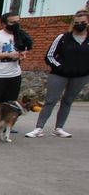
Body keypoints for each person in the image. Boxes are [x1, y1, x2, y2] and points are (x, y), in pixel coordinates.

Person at [26, 10, 89, 138]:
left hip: (80, 76)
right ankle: (38, 128)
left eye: (83, 22)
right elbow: (49, 55)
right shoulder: (63, 38)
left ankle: (59, 128)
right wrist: (60, 67)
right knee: (50, 100)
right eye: (77, 22)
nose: (80, 25)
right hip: (59, 74)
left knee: (68, 101)